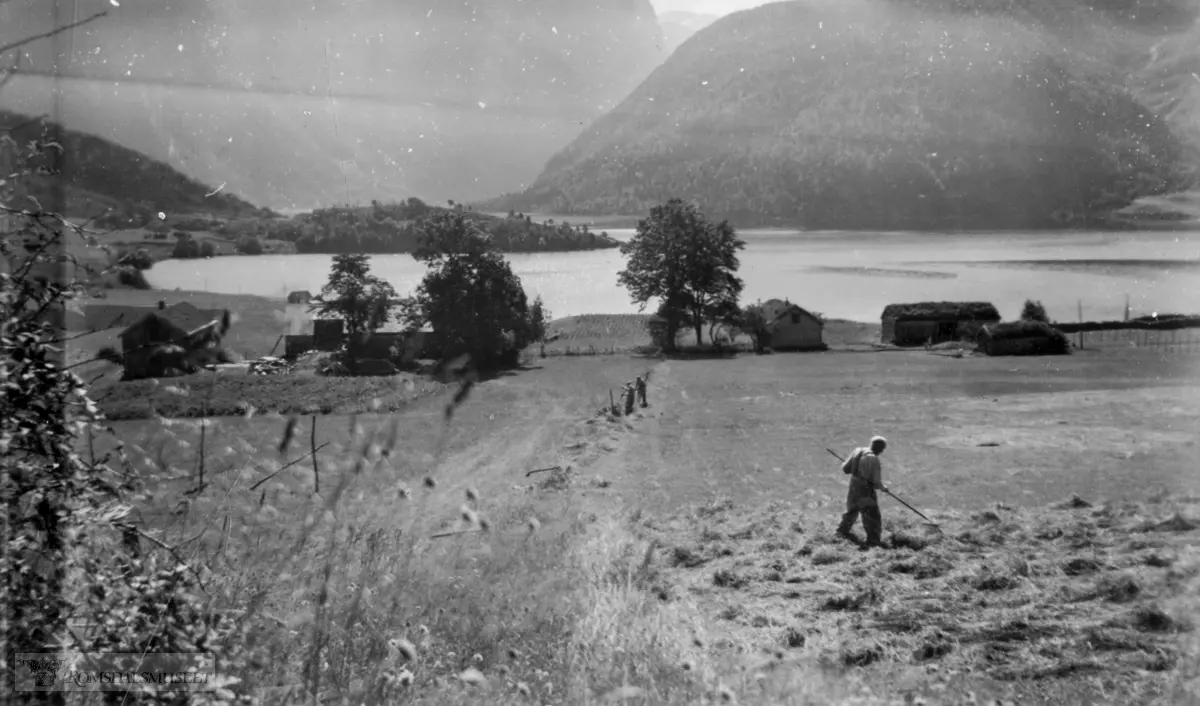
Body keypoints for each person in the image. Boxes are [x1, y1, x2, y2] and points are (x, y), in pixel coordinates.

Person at [836, 436, 888, 549]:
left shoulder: (857, 451)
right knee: (872, 515)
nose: (882, 452)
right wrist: (883, 488)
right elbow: (876, 481)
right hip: (865, 489)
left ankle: (840, 533)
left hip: (854, 486)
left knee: (852, 511)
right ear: (879, 448)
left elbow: (846, 469)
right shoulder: (873, 459)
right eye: (882, 449)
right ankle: (873, 542)